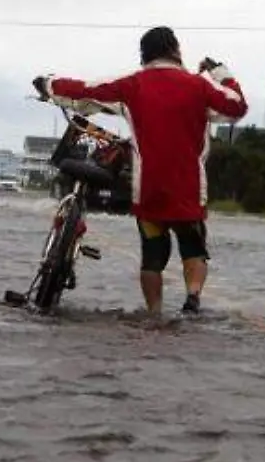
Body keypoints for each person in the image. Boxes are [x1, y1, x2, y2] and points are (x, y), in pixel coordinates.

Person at [36, 27, 249, 317]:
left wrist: (49, 84)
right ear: (176, 50)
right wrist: (220, 73)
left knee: (152, 257)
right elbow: (237, 107)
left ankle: (154, 314)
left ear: (144, 55)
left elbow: (86, 89)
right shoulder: (199, 86)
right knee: (193, 248)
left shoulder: (132, 84)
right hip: (188, 189)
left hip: (149, 189)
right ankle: (192, 299)